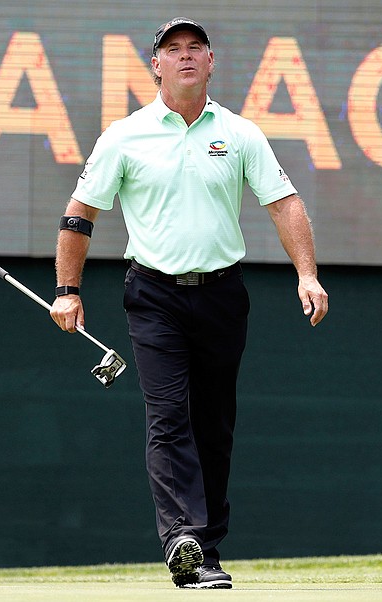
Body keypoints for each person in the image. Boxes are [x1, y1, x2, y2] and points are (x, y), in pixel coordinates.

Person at [50, 17, 328, 589]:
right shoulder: (124, 136)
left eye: (194, 48)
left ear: (210, 61)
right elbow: (80, 214)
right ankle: (182, 538)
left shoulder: (240, 133)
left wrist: (307, 274)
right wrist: (68, 290)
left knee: (214, 424)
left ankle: (207, 549)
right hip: (153, 296)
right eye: (172, 50)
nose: (184, 57)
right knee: (168, 415)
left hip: (223, 295)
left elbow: (284, 202)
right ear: (156, 65)